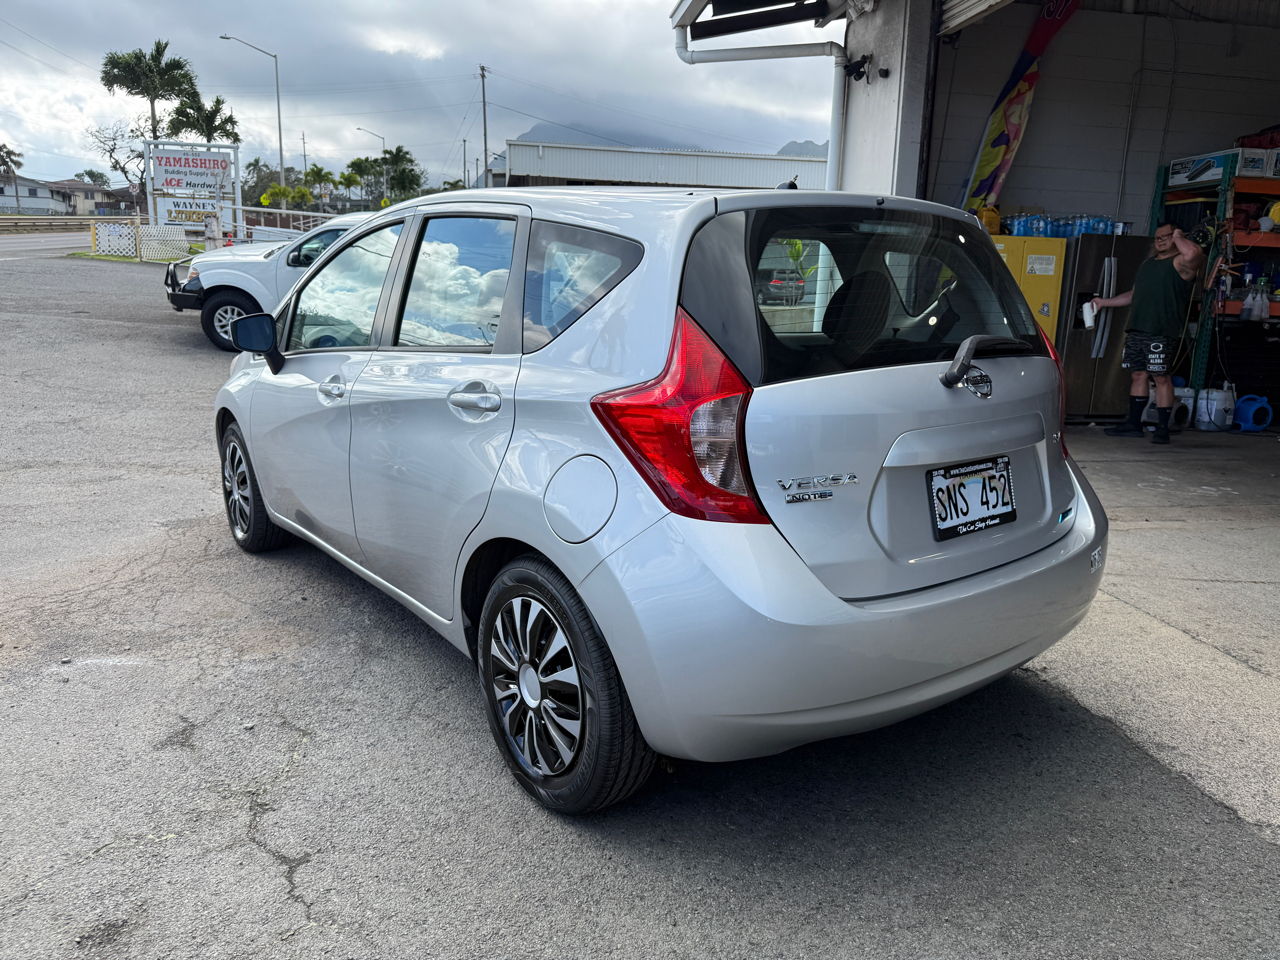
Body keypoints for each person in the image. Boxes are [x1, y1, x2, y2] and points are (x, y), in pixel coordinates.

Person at [1091, 223, 1203, 444]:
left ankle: (1162, 429)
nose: (1160, 241)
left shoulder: (1181, 262)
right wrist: (1104, 302)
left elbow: (1192, 252)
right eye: (1157, 237)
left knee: (1161, 378)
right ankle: (1134, 424)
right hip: (1137, 328)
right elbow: (1133, 295)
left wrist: (1179, 235)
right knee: (1138, 375)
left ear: (1177, 237)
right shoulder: (1148, 264)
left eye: (1166, 236)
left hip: (1162, 330)